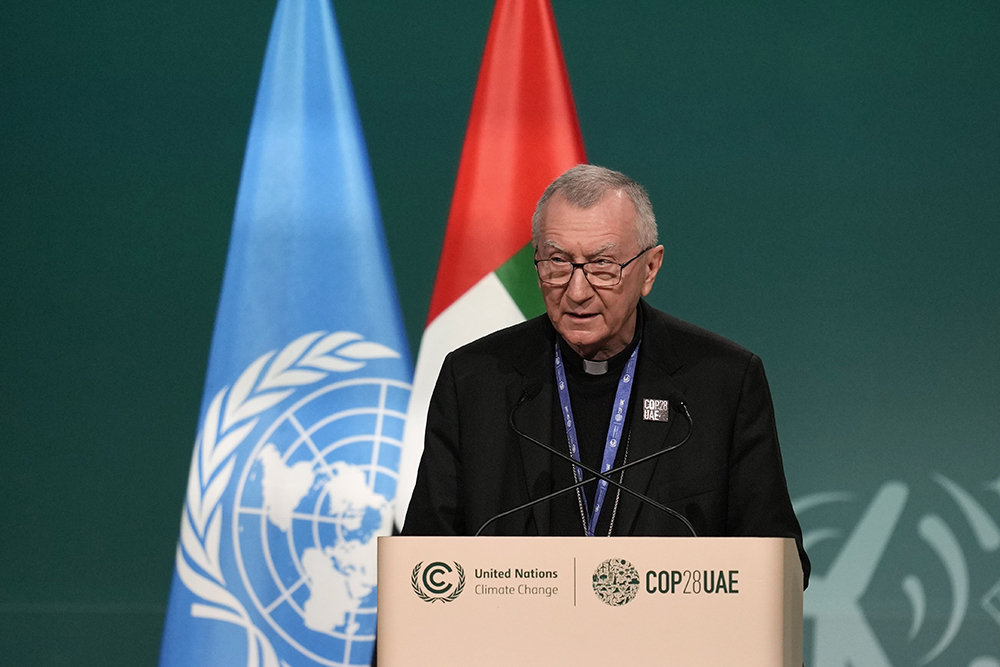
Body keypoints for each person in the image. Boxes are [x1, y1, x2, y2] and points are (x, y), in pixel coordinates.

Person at [402, 164, 810, 586]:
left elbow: (777, 562)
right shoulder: (475, 381)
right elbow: (422, 561)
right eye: (558, 263)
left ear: (649, 269)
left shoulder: (723, 383)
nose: (577, 291)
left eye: (602, 266)